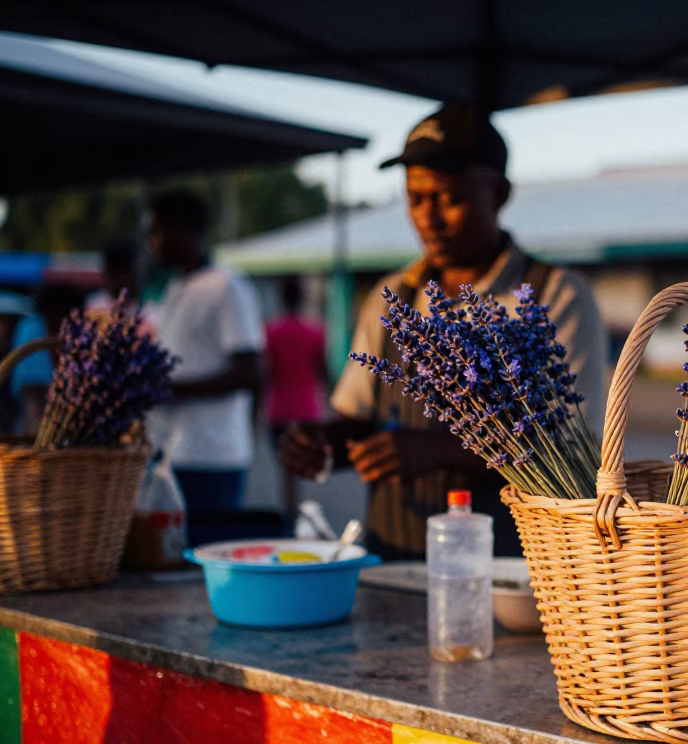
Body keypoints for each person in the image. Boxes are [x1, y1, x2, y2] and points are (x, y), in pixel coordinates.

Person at [279, 104, 607, 560]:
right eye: (415, 199)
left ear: (500, 194)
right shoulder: (392, 296)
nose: (428, 218)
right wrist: (318, 444)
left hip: (512, 569)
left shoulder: (557, 296)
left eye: (449, 198)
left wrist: (439, 449)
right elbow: (354, 420)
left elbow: (573, 447)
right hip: (393, 560)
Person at [145, 188, 264, 513]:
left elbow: (249, 371)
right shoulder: (174, 286)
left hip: (212, 455)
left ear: (184, 230)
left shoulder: (226, 285)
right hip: (172, 450)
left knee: (205, 554)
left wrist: (170, 389)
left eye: (157, 231)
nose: (151, 241)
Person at [264, 278, 328, 518]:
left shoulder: (271, 331)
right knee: (306, 464)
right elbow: (322, 370)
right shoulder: (315, 330)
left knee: (287, 469)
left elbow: (267, 373)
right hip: (308, 408)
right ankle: (303, 511)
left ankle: (292, 510)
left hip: (279, 409)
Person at [8, 284, 86, 434]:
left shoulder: (81, 338)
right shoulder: (31, 331)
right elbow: (30, 392)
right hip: (35, 423)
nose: (58, 323)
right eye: (54, 315)